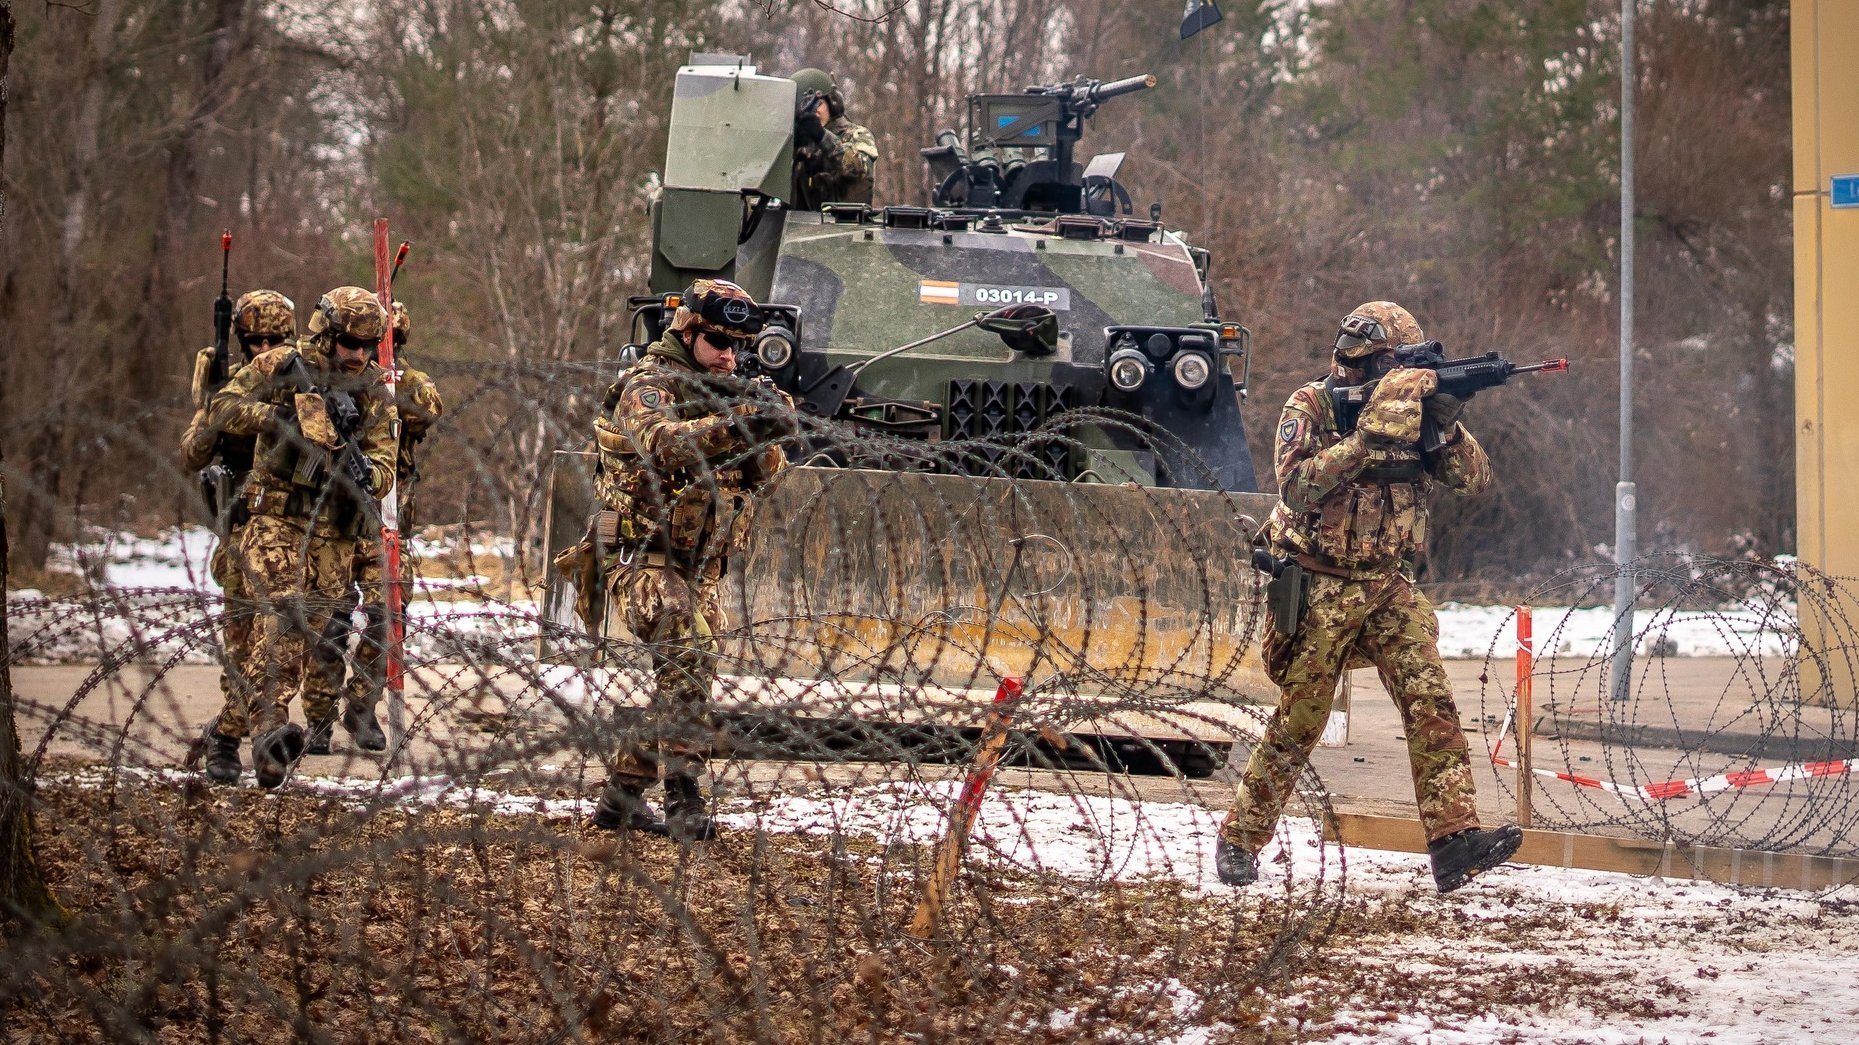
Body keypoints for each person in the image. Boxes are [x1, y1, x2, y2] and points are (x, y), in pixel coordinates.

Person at [1218, 301, 1523, 894]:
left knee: (1430, 700)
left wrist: (1446, 423)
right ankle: (1240, 837)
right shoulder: (1311, 406)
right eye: (1392, 366)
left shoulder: (1416, 415)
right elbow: (1298, 486)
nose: (1399, 379)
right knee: (1302, 718)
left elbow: (1475, 482)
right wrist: (1363, 440)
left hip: (1386, 582)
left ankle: (1454, 841)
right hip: (1319, 579)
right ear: (1360, 360)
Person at [587, 278, 793, 840]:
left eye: (737, 345)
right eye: (718, 342)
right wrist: (737, 425)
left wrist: (769, 429)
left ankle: (622, 796)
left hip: (700, 563)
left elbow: (764, 475)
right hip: (642, 554)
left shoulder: (728, 388)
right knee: (691, 654)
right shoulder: (649, 384)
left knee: (681, 677)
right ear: (689, 331)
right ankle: (683, 793)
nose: (729, 355)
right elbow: (661, 442)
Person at [205, 287, 398, 787]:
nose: (357, 355)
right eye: (348, 344)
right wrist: (279, 418)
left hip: (332, 530)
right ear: (327, 335)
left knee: (299, 641)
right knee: (285, 619)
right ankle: (269, 731)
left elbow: (384, 466)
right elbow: (221, 407)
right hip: (274, 520)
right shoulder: (282, 365)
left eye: (367, 346)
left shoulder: (373, 391)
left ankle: (228, 734)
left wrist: (361, 476)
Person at [305, 300, 445, 755]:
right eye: (354, 344)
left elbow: (427, 409)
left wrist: (392, 380)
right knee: (330, 617)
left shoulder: (401, 384)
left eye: (379, 345)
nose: (364, 355)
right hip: (331, 519)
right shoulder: (319, 378)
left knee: (389, 612)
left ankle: (362, 704)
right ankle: (319, 717)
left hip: (385, 517)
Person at [181, 289, 296, 784]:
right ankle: (238, 738)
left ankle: (239, 737)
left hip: (289, 531)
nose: (264, 348)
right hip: (239, 531)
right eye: (255, 340)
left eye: (275, 340)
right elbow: (190, 454)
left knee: (281, 642)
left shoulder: (300, 385)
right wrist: (215, 413)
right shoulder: (231, 386)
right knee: (244, 642)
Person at [789, 67, 878, 211]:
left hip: (843, 225)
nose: (814, 111)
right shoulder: (798, 142)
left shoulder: (857, 134)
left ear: (833, 103)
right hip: (796, 226)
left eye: (818, 104)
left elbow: (860, 168)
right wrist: (792, 149)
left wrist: (822, 136)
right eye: (803, 107)